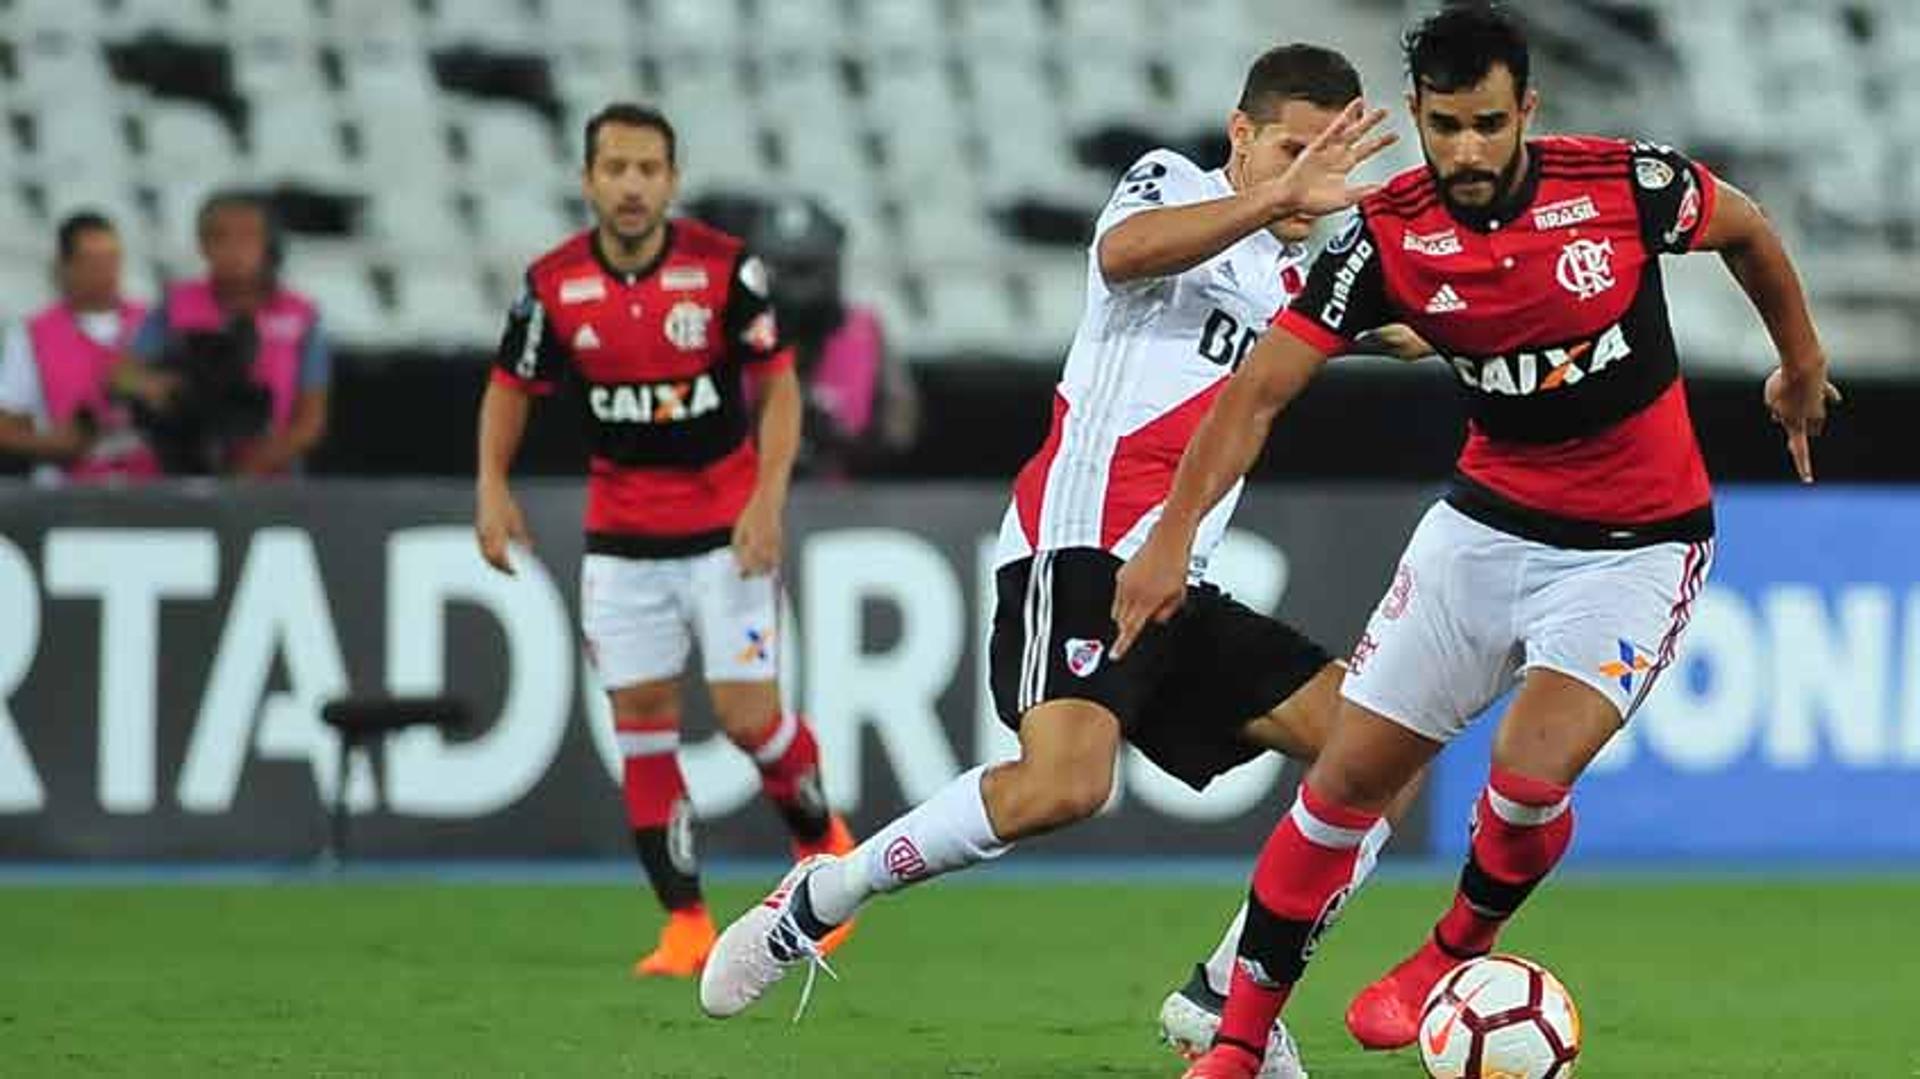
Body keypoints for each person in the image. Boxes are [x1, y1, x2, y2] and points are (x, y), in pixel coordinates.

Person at [1109, 7, 1840, 1078]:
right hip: (1483, 526)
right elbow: (1259, 390)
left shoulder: (1621, 185)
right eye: (1445, 125)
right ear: (1417, 117)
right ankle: (1236, 1040)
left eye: (1488, 123)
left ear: (1526, 112)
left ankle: (1453, 948)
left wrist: (1801, 363)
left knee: (1528, 767)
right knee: (1346, 780)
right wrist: (1171, 534)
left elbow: (1749, 228)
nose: (1467, 149)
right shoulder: (1386, 236)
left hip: (1636, 544)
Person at [700, 47, 1420, 1077]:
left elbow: (1424, 320)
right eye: (1293, 149)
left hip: (1182, 580)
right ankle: (822, 895)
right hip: (1078, 548)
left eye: (1330, 154)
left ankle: (1225, 996)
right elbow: (1127, 253)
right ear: (1242, 136)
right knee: (1065, 784)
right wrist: (1272, 205)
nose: (1313, 174)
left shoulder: (1308, 277)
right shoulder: (1175, 185)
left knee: (1382, 756)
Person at [474, 102, 858, 980]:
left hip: (726, 534)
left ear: (672, 180)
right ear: (589, 181)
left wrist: (766, 499)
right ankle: (684, 921)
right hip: (621, 542)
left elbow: (780, 387)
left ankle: (822, 847)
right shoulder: (553, 285)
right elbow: (509, 387)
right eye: (616, 168)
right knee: (642, 726)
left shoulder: (724, 271)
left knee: (747, 717)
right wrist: (491, 487)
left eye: (649, 168)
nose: (633, 185)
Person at [129, 191, 330, 477]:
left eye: (248, 237)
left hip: (273, 480)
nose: (234, 250)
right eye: (220, 237)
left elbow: (311, 421)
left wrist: (251, 467)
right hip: (184, 470)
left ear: (268, 244)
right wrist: (156, 386)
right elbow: (122, 374)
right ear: (202, 245)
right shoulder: (175, 306)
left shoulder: (302, 315)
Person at [749, 196, 919, 479]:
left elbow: (901, 431)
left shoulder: (865, 335)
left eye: (808, 269)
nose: (799, 289)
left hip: (844, 504)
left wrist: (842, 437)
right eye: (783, 269)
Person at [0, 212, 166, 483]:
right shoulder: (30, 334)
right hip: (67, 497)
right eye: (92, 261)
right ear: (63, 266)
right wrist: (57, 444)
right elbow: (6, 428)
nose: (106, 272)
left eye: (112, 259)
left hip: (153, 492)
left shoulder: (154, 324)